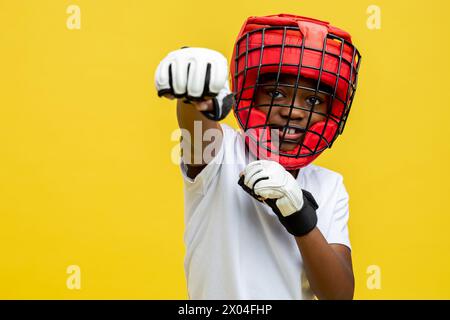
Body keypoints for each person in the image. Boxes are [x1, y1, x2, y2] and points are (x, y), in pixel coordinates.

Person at [154, 13, 361, 300]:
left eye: (313, 100)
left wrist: (301, 218)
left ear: (331, 111)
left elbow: (338, 295)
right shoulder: (223, 151)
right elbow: (196, 129)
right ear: (251, 95)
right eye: (276, 93)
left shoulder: (329, 185)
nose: (294, 111)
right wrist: (194, 92)